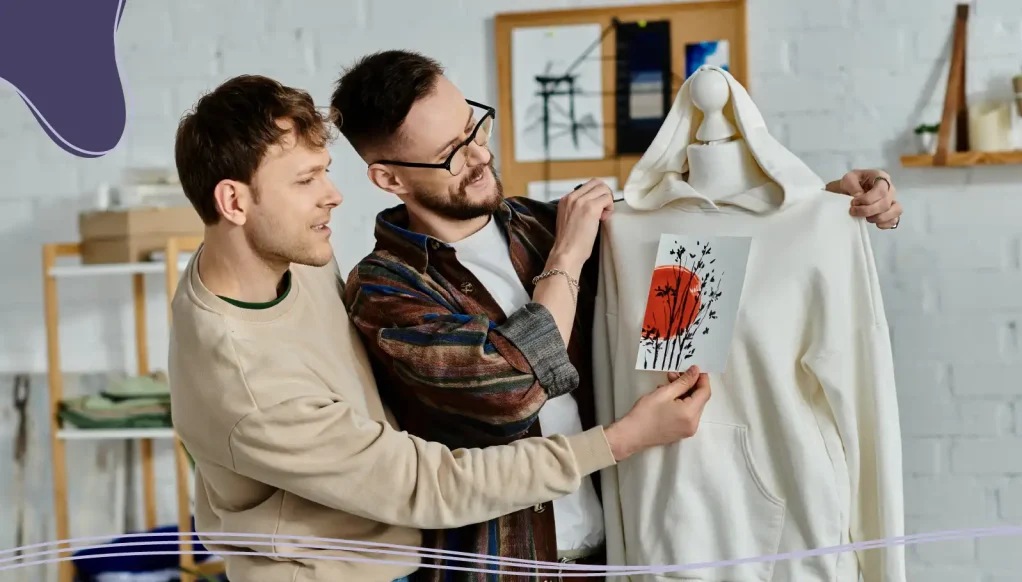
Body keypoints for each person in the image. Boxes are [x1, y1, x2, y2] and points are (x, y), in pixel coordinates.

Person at [329, 49, 906, 582]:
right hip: (503, 567)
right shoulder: (384, 290)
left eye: (474, 126)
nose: (480, 155)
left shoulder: (544, 224)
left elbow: (697, 232)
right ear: (390, 177)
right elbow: (508, 387)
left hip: (621, 555)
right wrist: (568, 257)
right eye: (450, 153)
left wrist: (817, 207)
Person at [167, 73, 716, 582]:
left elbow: (682, 274)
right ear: (234, 201)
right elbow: (444, 467)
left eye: (325, 172)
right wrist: (625, 439)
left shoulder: (290, 256)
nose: (333, 195)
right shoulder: (254, 376)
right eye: (307, 179)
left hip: (539, 548)